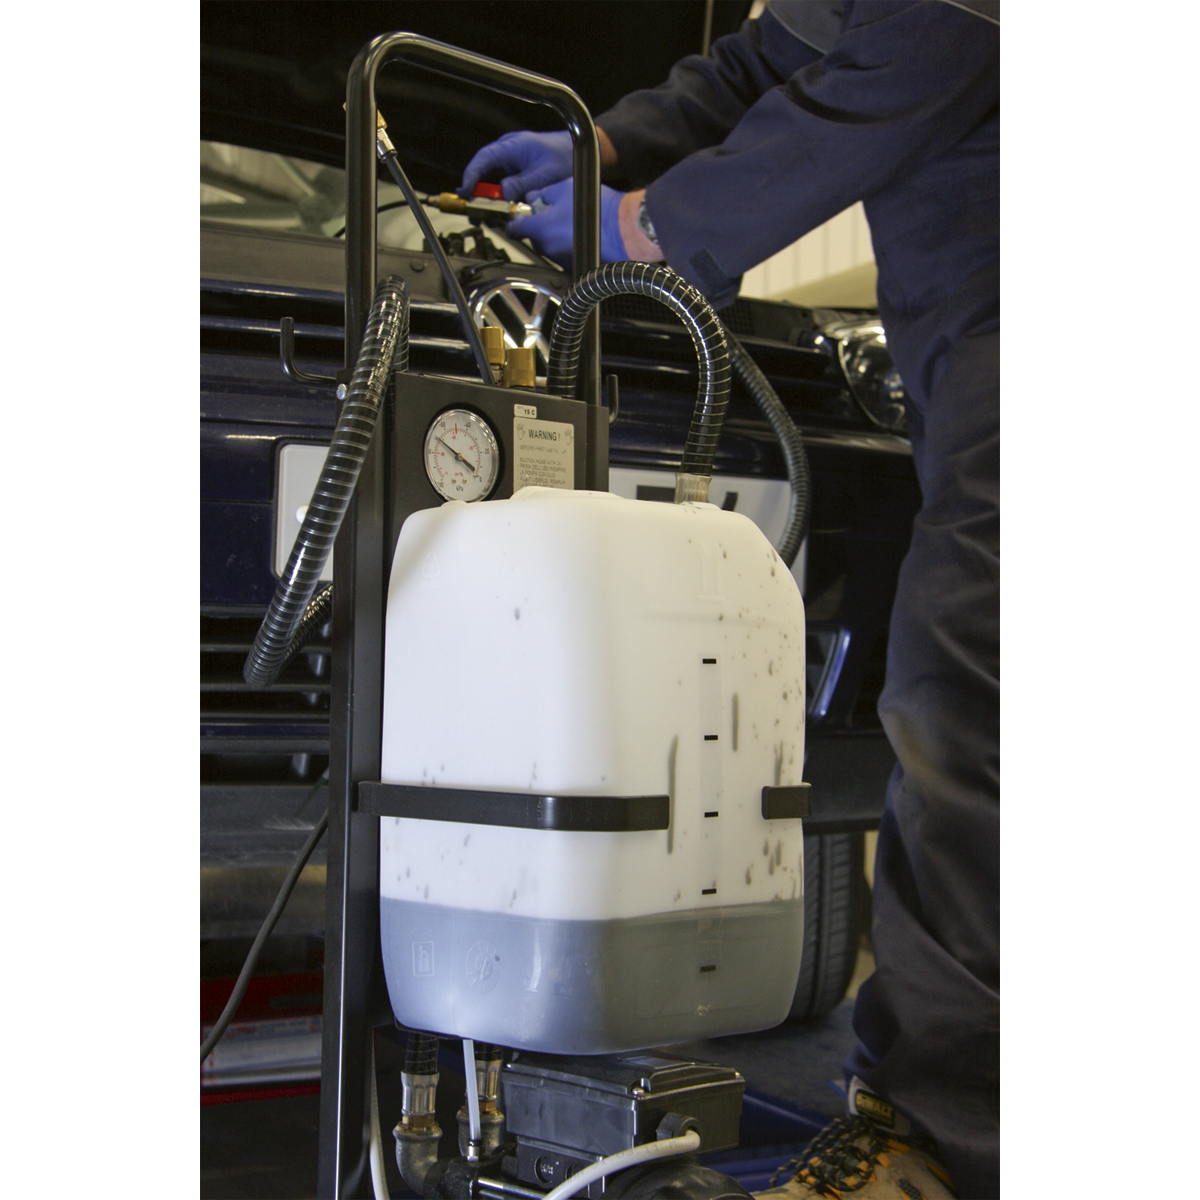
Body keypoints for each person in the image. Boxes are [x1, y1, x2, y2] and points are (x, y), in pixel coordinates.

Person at [461, 2, 999, 1197]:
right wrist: (609, 145)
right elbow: (788, 46)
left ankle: (938, 1143)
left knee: (970, 715)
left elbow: (943, 35)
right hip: (973, 350)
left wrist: (655, 224)